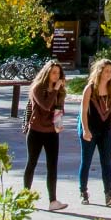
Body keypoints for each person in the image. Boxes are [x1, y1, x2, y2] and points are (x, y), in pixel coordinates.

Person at [25, 61, 69, 211]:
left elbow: (57, 109)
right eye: (53, 73)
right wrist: (55, 90)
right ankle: (25, 198)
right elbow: (46, 105)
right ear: (47, 73)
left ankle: (53, 201)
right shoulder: (37, 88)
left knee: (52, 166)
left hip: (52, 132)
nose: (56, 76)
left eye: (58, 73)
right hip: (36, 131)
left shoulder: (60, 90)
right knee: (32, 163)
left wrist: (59, 120)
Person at [76, 59, 111, 206]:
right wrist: (85, 130)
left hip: (105, 130)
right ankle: (83, 192)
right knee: (86, 161)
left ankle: (109, 194)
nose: (109, 74)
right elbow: (83, 111)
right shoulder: (90, 88)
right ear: (100, 71)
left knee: (106, 162)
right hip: (90, 130)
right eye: (106, 71)